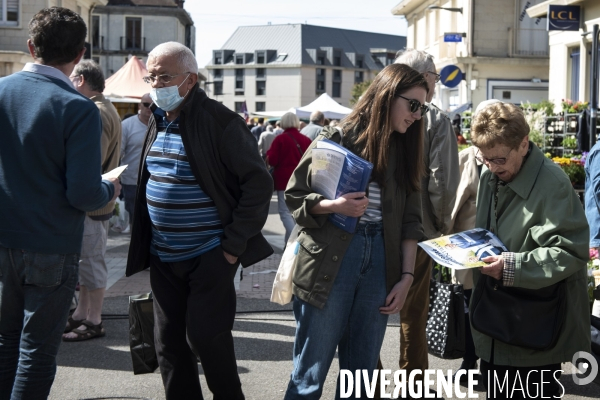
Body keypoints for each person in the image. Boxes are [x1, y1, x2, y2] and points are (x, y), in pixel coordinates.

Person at [125, 41, 273, 400]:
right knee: (169, 345)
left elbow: (258, 184)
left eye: (164, 77)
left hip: (210, 255)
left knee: (209, 341)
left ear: (190, 80)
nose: (156, 85)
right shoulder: (157, 121)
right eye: (152, 77)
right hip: (164, 257)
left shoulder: (220, 122)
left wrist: (232, 246)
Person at [283, 63, 428, 399]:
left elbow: (411, 221)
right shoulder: (337, 138)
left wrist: (406, 277)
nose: (418, 116)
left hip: (381, 259)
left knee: (360, 379)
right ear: (389, 95)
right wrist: (334, 206)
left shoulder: (406, 150)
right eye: (414, 105)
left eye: (424, 108)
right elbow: (296, 196)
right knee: (309, 375)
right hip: (331, 256)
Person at [0, 7, 120, 398]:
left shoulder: (2, 92)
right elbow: (83, 193)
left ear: (32, 46)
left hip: (4, 237)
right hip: (51, 243)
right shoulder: (77, 107)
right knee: (36, 350)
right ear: (80, 51)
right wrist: (109, 192)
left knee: (5, 342)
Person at [470, 102, 590, 399]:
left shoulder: (554, 184)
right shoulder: (490, 174)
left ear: (524, 144)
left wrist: (511, 267)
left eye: (499, 159)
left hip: (534, 324)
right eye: (485, 159)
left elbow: (571, 252)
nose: (493, 168)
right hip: (497, 318)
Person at [393, 48, 460, 394]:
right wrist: (442, 227)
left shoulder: (385, 110)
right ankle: (413, 382)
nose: (435, 82)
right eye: (433, 76)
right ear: (422, 78)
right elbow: (443, 182)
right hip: (420, 230)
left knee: (370, 309)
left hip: (382, 225)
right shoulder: (434, 118)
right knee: (414, 312)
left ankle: (368, 375)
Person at [62, 60, 121, 342]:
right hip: (100, 199)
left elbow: (91, 163)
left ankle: (94, 320)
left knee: (92, 261)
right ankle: (82, 314)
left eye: (72, 78)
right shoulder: (105, 107)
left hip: (94, 201)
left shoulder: (95, 111)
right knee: (88, 262)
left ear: (82, 80)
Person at [265, 112, 311, 243]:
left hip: (284, 181)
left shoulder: (280, 139)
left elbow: (273, 160)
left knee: (285, 213)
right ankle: (288, 246)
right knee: (296, 213)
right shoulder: (306, 139)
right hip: (302, 180)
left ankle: (295, 239)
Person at [119, 93, 153, 230]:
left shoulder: (161, 124)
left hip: (154, 181)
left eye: (153, 105)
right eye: (146, 104)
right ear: (140, 105)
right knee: (134, 220)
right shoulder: (127, 125)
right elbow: (118, 153)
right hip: (132, 181)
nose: (149, 108)